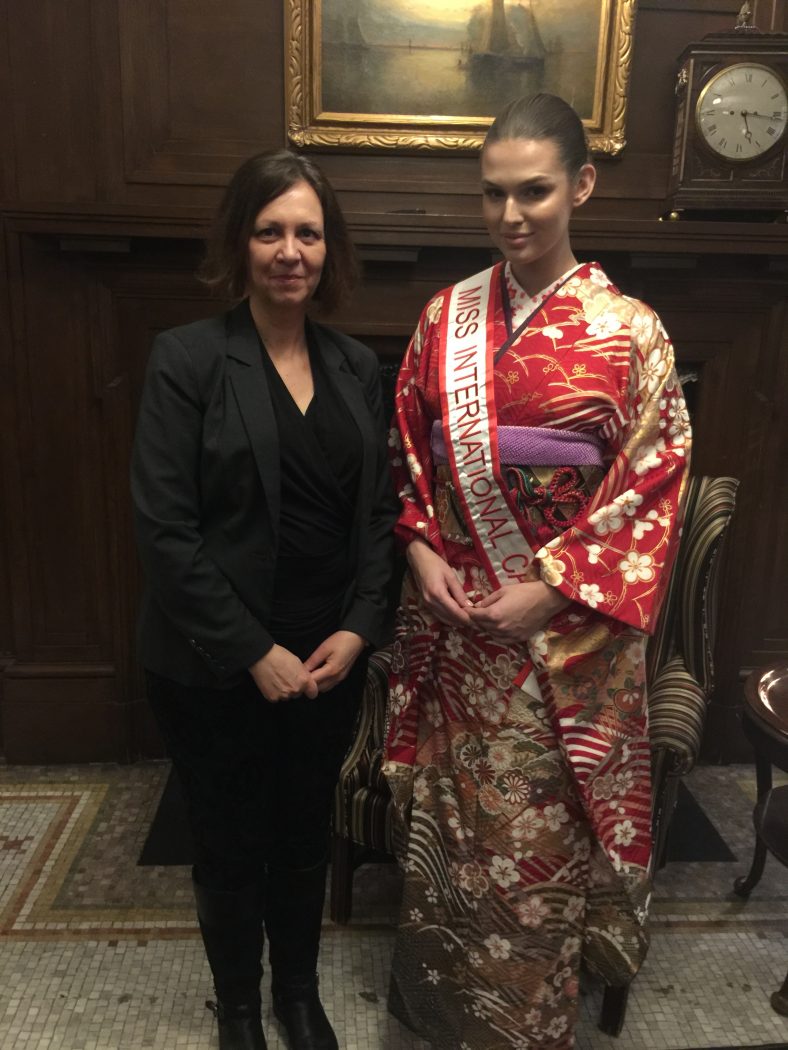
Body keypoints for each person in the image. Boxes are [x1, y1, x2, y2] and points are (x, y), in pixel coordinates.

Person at [383, 93, 691, 1049]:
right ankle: (441, 1018)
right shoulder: (444, 321)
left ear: (582, 186)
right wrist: (424, 549)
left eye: (535, 192)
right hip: (457, 638)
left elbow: (653, 484)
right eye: (493, 196)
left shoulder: (631, 332)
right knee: (452, 851)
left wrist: (551, 588)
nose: (511, 216)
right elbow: (408, 459)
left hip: (564, 650)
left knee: (533, 860)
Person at [131, 150, 395, 1050]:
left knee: (303, 837)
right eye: (271, 230)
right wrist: (254, 651)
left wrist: (360, 630)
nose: (291, 251)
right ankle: (240, 1010)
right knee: (230, 842)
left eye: (308, 233)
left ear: (330, 248)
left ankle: (297, 996)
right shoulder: (189, 360)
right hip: (215, 665)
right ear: (241, 243)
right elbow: (166, 531)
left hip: (328, 662)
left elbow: (378, 518)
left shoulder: (358, 366)